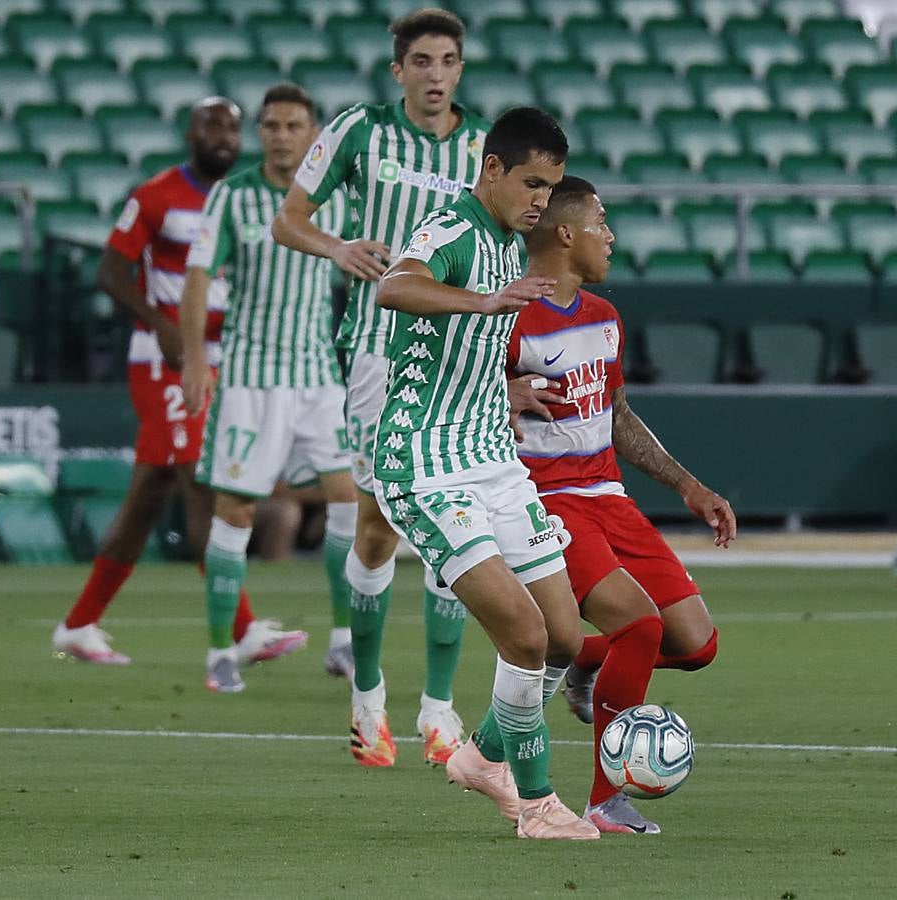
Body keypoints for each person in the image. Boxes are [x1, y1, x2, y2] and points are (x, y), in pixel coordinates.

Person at [272, 9, 489, 766]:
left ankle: (438, 709)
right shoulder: (360, 131)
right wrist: (337, 247)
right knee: (377, 527)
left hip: (460, 361)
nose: (435, 74)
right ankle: (367, 699)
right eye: (421, 61)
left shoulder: (483, 148)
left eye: (448, 60)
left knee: (455, 529)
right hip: (374, 351)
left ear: (461, 68)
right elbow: (288, 219)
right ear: (397, 70)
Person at [374, 107, 598, 840]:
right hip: (426, 465)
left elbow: (454, 355)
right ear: (492, 169)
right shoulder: (453, 231)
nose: (541, 199)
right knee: (525, 636)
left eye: (551, 186)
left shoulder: (510, 243)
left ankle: (481, 757)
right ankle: (534, 805)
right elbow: (395, 288)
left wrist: (503, 390)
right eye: (531, 182)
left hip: (491, 459)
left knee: (564, 638)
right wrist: (482, 301)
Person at [506, 176, 737, 834]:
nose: (610, 236)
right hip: (545, 498)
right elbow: (456, 400)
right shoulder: (508, 316)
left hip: (608, 496)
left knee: (696, 645)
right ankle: (605, 799)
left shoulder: (604, 319)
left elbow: (618, 416)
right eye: (600, 222)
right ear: (565, 232)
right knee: (638, 626)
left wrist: (686, 485)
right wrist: (501, 397)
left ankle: (584, 655)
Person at [52, 97, 300, 670]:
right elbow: (110, 272)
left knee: (146, 501)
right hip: (163, 360)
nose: (224, 135)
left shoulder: (247, 197)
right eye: (212, 125)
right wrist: (159, 321)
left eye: (234, 127)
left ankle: (79, 623)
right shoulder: (156, 195)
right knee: (201, 479)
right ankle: (241, 630)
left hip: (222, 357)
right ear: (190, 133)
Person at [180, 84, 356, 693]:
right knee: (236, 510)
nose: (282, 135)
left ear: (313, 134)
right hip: (251, 377)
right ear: (261, 133)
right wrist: (196, 358)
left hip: (317, 373)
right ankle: (219, 651)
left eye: (293, 125)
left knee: (350, 497)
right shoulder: (232, 196)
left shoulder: (335, 199)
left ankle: (343, 641)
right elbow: (198, 275)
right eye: (272, 125)